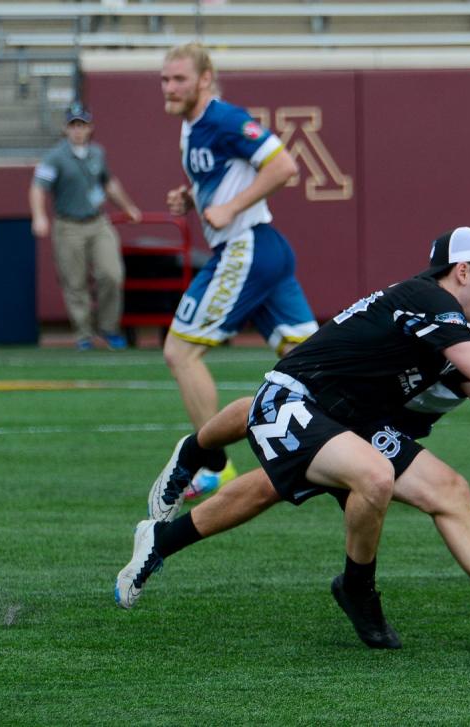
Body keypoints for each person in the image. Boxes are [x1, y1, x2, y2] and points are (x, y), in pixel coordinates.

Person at [115, 227, 470, 650]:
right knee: (371, 474)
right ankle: (357, 589)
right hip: (295, 400)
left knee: (448, 490)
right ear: (462, 273)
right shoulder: (428, 301)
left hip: (348, 416)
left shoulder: (445, 323)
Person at [158, 42, 319, 494]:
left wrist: (230, 208)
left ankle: (213, 465)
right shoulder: (192, 127)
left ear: (205, 79)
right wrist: (191, 197)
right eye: (165, 79)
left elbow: (283, 165)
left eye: (179, 79)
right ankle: (372, 444)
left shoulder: (224, 119)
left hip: (245, 247)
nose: (169, 88)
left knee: (179, 352)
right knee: (313, 363)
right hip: (264, 250)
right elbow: (224, 175)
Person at [29, 101, 141, 351]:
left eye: (82, 125)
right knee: (74, 281)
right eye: (73, 125)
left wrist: (128, 206)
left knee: (111, 273)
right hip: (68, 225)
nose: (78, 130)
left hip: (97, 221)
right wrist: (39, 216)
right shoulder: (55, 157)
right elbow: (38, 187)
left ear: (90, 127)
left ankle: (109, 328)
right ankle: (84, 333)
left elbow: (108, 183)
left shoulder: (97, 153)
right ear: (66, 129)